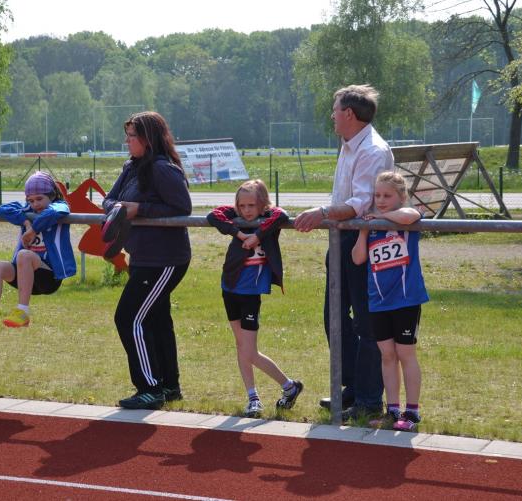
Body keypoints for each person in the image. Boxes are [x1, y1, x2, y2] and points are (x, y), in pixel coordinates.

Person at [294, 84, 395, 421]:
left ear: (349, 114)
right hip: (341, 239)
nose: (332, 116)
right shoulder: (351, 144)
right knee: (334, 318)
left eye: (335, 109)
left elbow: (361, 203)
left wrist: (322, 212)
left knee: (366, 323)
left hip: (364, 241)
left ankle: (369, 399)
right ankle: (351, 387)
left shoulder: (372, 150)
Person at [103, 111, 192, 410]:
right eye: (127, 135)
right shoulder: (131, 167)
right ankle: (169, 386)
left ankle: (150, 388)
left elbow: (182, 208)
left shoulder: (163, 169)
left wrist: (138, 208)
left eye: (132, 136)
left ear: (148, 138)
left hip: (165, 259)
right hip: (141, 257)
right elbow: (108, 199)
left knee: (129, 318)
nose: (127, 141)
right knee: (155, 318)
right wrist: (119, 207)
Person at [206, 179, 303, 418]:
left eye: (252, 205)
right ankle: (253, 397)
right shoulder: (236, 216)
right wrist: (240, 234)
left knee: (249, 351)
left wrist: (258, 235)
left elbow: (282, 214)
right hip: (230, 288)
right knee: (242, 347)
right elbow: (213, 215)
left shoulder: (268, 220)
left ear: (262, 204)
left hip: (250, 294)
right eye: (242, 205)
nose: (247, 210)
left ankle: (289, 386)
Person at [352, 171, 428, 431]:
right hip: (379, 301)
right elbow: (358, 258)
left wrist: (380, 218)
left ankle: (412, 413)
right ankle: (393, 411)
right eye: (377, 196)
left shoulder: (406, 216)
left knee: (406, 354)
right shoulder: (371, 225)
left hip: (406, 299)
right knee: (387, 355)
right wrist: (364, 231)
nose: (381, 200)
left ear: (401, 197)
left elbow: (410, 216)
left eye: (387, 196)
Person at [0, 171, 75, 338]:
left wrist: (33, 229)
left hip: (49, 278)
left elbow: (54, 213)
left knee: (24, 255)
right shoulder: (27, 210)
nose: (35, 204)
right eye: (30, 200)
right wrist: (25, 221)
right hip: (26, 277)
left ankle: (23, 312)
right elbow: (3, 209)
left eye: (39, 199)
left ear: (52, 195)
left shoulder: (60, 206)